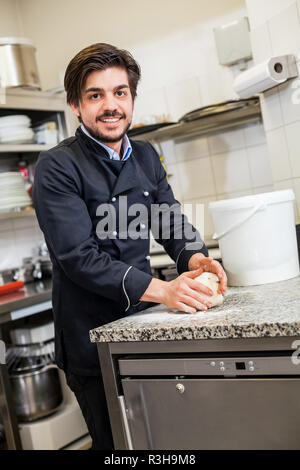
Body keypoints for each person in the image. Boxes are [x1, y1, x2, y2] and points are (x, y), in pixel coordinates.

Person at [33, 43, 227, 450]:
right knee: (118, 447)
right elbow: (78, 258)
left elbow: (169, 218)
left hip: (140, 328)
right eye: (95, 95)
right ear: (75, 105)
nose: (111, 105)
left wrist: (196, 258)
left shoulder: (144, 155)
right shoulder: (57, 166)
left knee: (161, 440)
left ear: (132, 99)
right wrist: (166, 291)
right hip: (92, 340)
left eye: (120, 92)